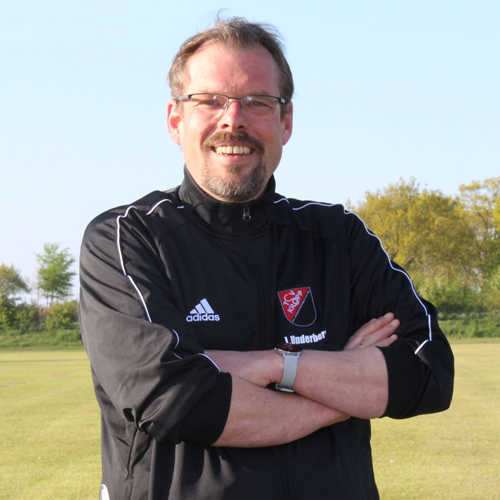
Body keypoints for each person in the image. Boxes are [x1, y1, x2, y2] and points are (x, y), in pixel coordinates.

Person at [79, 16, 454, 500]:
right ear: (175, 120)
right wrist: (343, 388)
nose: (233, 119)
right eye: (210, 100)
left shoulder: (338, 238)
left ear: (286, 121)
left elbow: (428, 372)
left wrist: (276, 366)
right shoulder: (127, 239)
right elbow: (176, 400)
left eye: (257, 101)